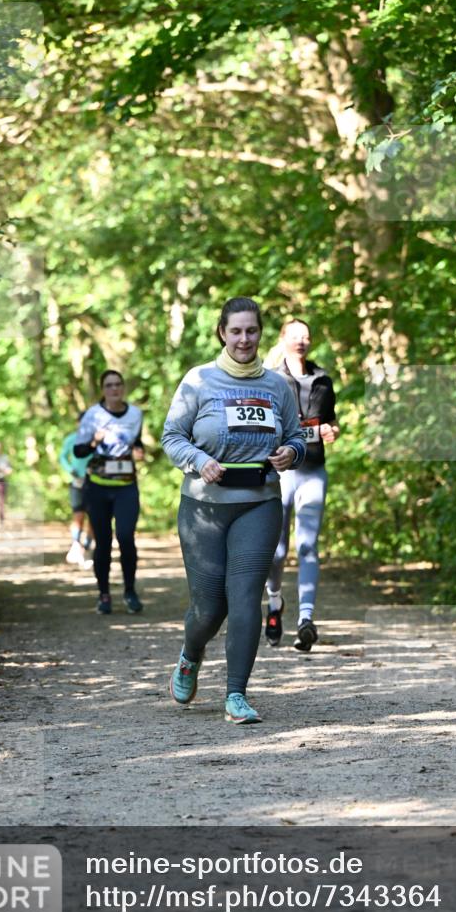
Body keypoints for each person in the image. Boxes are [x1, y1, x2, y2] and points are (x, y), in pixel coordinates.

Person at [162, 297, 306, 725]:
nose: (245, 339)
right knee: (209, 608)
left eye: (252, 331)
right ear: (222, 333)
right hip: (204, 507)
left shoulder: (277, 386)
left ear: (261, 333)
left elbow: (298, 437)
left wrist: (289, 453)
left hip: (259, 503)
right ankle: (191, 655)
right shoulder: (199, 380)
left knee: (245, 597)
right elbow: (172, 436)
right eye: (236, 331)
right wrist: (197, 460)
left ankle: (236, 694)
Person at [263, 318, 338, 651]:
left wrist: (332, 431)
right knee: (277, 551)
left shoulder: (323, 380)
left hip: (313, 471)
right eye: (295, 336)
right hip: (281, 473)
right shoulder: (271, 379)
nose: (302, 341)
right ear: (282, 339)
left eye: (306, 336)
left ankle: (306, 620)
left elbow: (330, 421)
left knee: (307, 545)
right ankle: (275, 602)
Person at [73, 370, 145, 615]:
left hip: (126, 486)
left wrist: (139, 450)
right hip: (98, 487)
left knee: (126, 537)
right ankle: (103, 594)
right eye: (109, 385)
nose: (114, 389)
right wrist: (94, 442)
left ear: (123, 388)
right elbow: (79, 452)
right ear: (102, 390)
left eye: (118, 385)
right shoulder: (92, 415)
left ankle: (130, 591)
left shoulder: (135, 414)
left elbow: (136, 442)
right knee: (103, 542)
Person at [59, 415, 93, 567]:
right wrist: (70, 470)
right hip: (77, 481)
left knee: (94, 518)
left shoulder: (95, 440)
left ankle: (87, 548)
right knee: (78, 515)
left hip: (94, 482)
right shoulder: (71, 439)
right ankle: (75, 544)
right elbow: (62, 457)